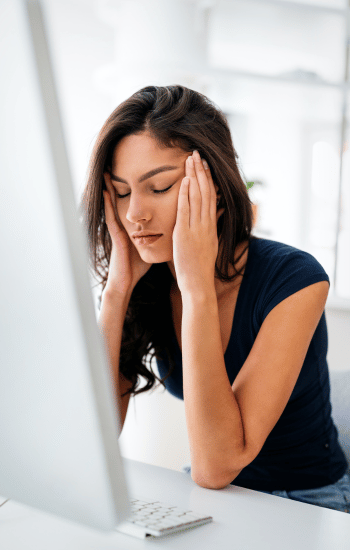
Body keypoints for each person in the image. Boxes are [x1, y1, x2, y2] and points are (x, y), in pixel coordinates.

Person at [79, 85, 350, 514]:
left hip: (310, 503)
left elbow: (216, 464)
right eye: (123, 192)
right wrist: (115, 294)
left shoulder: (296, 280)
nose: (135, 215)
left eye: (160, 187)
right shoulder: (145, 282)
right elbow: (86, 441)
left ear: (216, 189)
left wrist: (197, 288)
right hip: (216, 499)